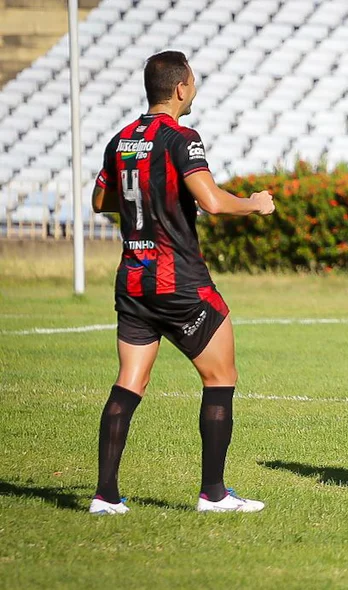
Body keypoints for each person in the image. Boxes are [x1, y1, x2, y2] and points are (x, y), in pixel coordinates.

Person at [89, 51, 275, 515]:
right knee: (221, 377)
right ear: (180, 89)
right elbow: (211, 201)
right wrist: (254, 203)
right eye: (193, 81)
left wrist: (147, 195)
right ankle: (213, 494)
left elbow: (100, 200)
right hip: (180, 283)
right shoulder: (182, 137)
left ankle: (105, 496)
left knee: (129, 382)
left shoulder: (121, 139)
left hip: (133, 279)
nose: (194, 88)